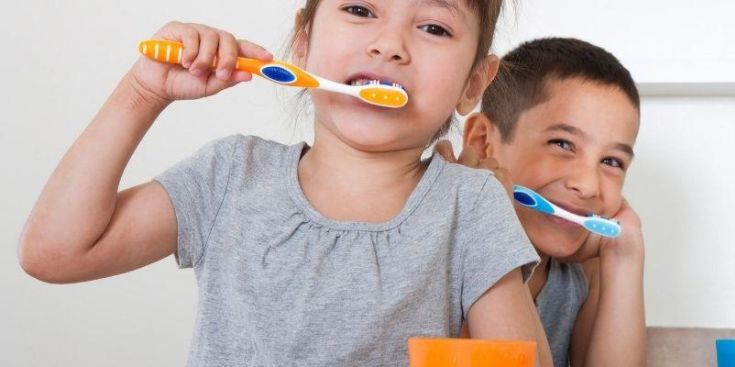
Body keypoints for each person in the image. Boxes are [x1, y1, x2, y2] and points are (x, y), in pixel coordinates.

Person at [18, 1, 552, 365]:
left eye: (433, 27)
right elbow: (55, 252)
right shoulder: (230, 175)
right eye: (360, 10)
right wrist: (143, 92)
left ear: (473, 84)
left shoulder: (470, 205)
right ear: (303, 42)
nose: (389, 45)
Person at [438, 37, 645, 367]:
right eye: (562, 144)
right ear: (482, 142)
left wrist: (625, 256)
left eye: (611, 162)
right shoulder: (436, 249)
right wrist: (492, 223)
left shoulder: (579, 277)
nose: (587, 185)